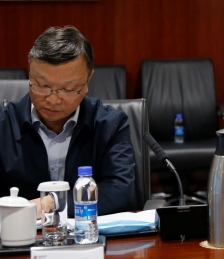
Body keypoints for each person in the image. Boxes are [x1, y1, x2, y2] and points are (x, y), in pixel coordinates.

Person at [0, 26, 135, 217]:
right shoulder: (4, 124)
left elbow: (119, 191)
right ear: (29, 74)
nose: (53, 99)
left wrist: (53, 203)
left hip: (87, 231)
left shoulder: (110, 124)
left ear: (88, 80)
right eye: (42, 85)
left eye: (68, 89)